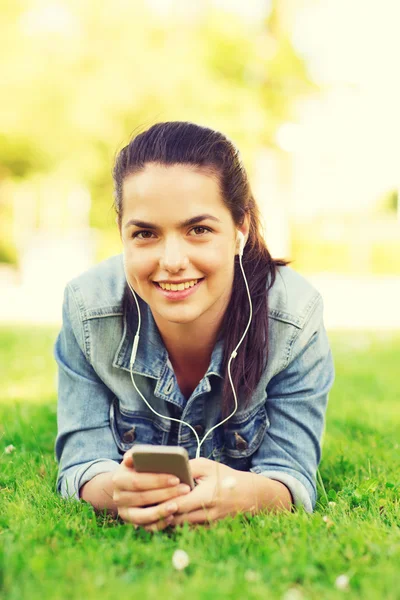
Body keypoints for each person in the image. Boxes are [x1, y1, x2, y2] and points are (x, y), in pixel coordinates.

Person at [54, 121, 334, 531]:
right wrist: (118, 490)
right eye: (145, 233)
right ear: (121, 233)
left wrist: (246, 495)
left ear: (240, 229)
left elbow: (291, 477)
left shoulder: (293, 317)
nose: (171, 260)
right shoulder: (88, 308)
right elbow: (81, 464)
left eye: (198, 230)